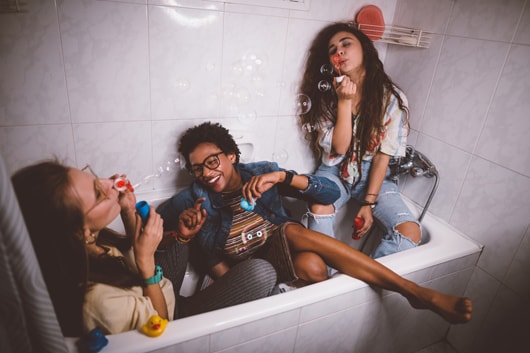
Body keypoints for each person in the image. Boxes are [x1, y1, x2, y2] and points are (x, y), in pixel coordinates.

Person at [158, 121, 472, 324]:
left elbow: (330, 192)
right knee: (309, 262)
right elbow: (154, 229)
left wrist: (283, 177)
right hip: (242, 272)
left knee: (300, 246)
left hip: (279, 251)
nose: (206, 172)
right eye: (197, 168)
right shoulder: (191, 199)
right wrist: (180, 231)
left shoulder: (262, 172)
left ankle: (408, 293)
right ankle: (407, 292)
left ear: (231, 155)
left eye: (212, 161)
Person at [12, 160, 276, 336]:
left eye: (95, 177)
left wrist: (128, 211)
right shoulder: (97, 301)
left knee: (177, 230)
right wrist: (147, 260)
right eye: (99, 192)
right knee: (263, 272)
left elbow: (130, 252)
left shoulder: (90, 243)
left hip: (162, 291)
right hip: (170, 317)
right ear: (81, 231)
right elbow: (165, 331)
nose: (109, 182)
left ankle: (193, 281)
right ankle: (200, 303)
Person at [298, 22, 421, 258]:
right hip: (335, 171)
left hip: (373, 176)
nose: (339, 52)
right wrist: (344, 101)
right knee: (318, 207)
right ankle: (329, 278)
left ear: (365, 48)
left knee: (410, 232)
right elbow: (340, 147)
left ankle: (357, 283)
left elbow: (383, 156)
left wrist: (369, 203)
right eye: (333, 50)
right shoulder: (325, 97)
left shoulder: (393, 98)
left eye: (346, 44)